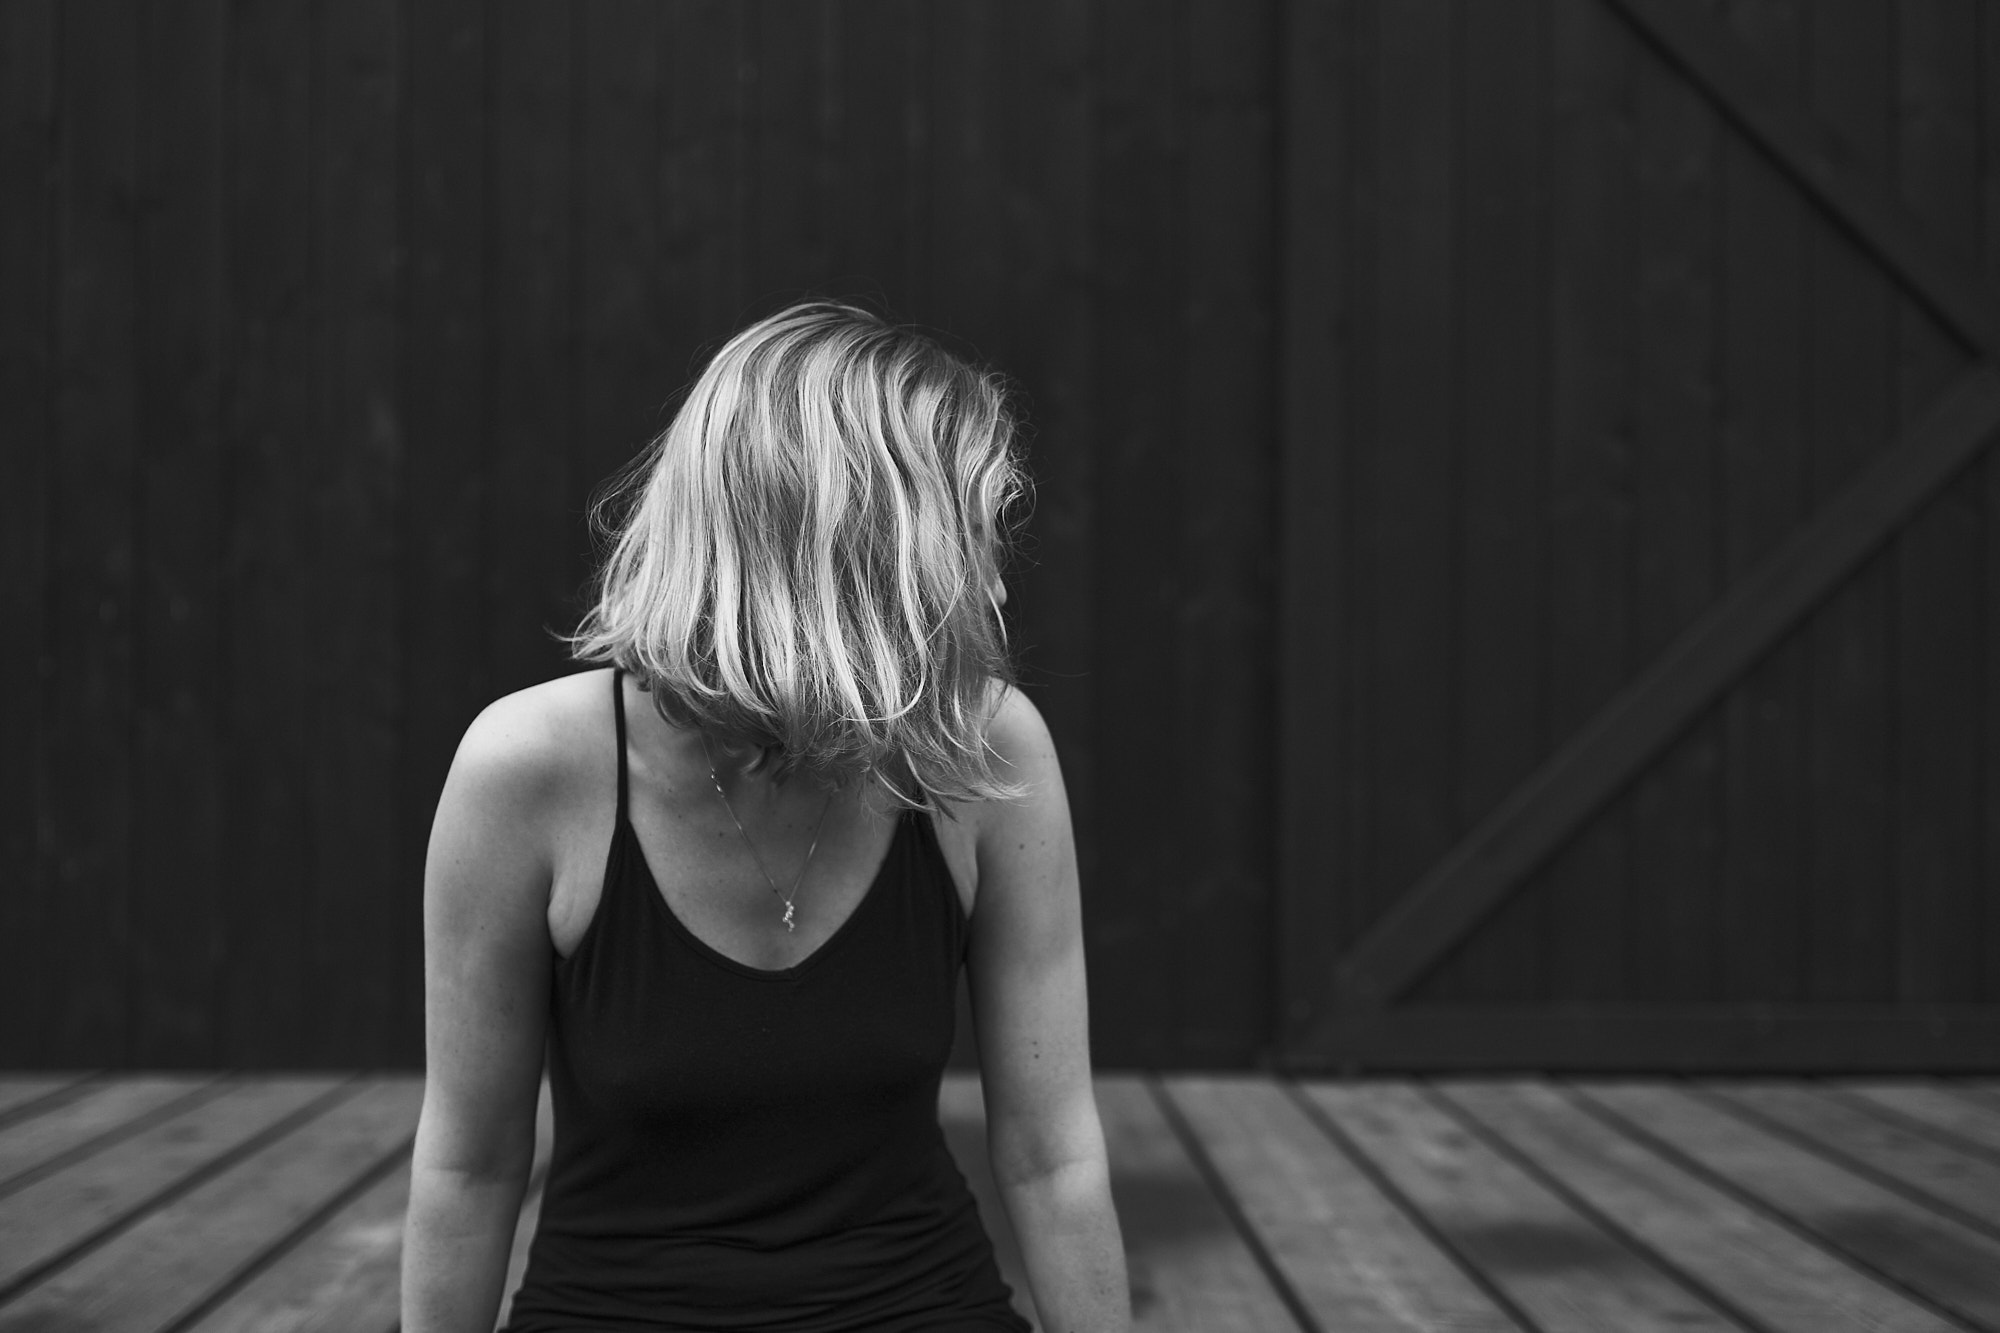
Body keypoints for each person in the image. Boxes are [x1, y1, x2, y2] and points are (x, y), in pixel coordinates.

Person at [400, 302, 1130, 1332]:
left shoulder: (984, 745)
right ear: (851, 556)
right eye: (966, 542)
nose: (996, 588)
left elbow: (1052, 1156)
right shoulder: (528, 766)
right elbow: (470, 1166)